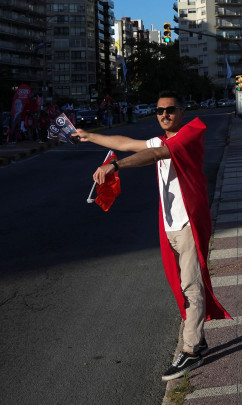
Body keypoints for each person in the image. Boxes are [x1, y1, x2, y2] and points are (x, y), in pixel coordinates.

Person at [72, 91, 230, 379]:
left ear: (182, 112)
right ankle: (198, 338)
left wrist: (115, 165)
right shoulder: (162, 138)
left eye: (170, 109)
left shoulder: (190, 133)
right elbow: (126, 143)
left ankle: (192, 351)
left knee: (191, 285)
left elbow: (156, 154)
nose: (164, 115)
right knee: (180, 285)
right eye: (159, 110)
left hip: (187, 224)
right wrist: (90, 136)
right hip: (170, 225)